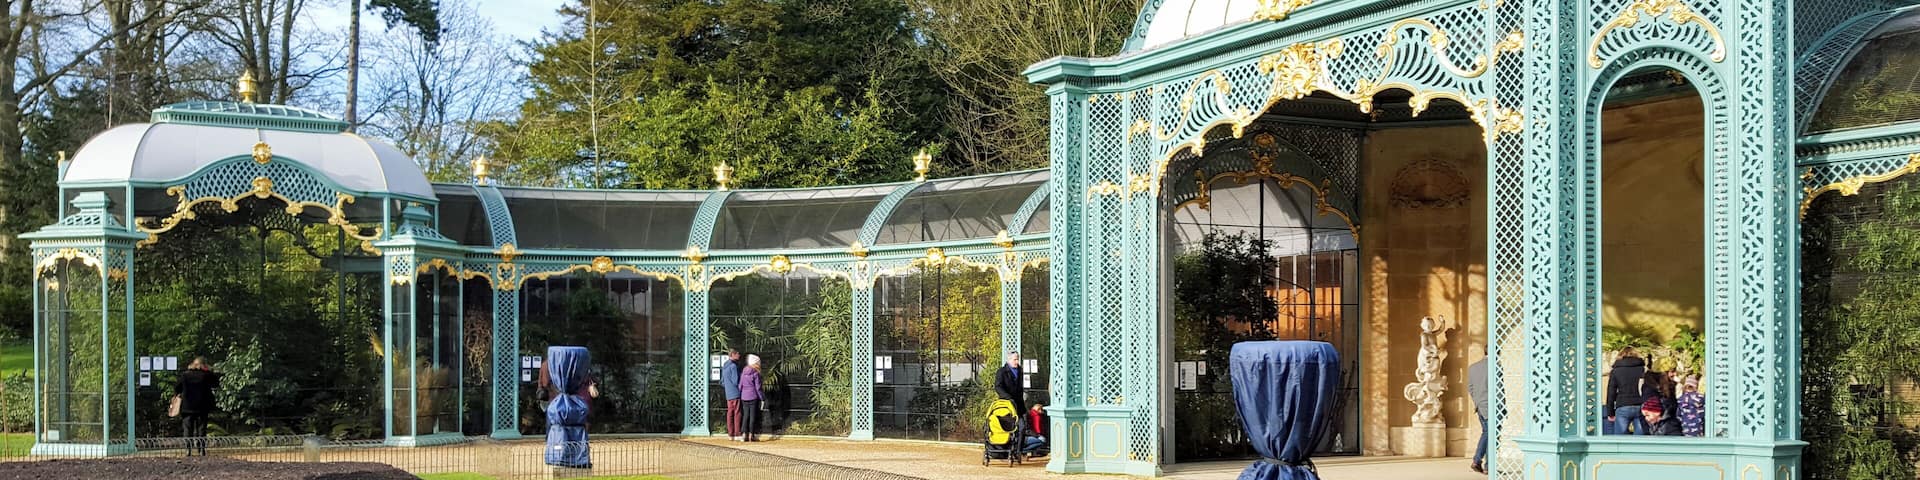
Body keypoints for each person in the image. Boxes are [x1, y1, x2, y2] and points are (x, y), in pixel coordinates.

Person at [176, 357, 219, 456]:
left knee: (187, 428)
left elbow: (177, 388)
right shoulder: (206, 375)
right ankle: (201, 449)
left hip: (187, 406)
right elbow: (216, 383)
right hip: (202, 407)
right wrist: (208, 370)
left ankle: (188, 449)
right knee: (201, 429)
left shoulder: (185, 375)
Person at [1604, 347, 1648, 435]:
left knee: (1620, 439)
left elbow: (1611, 392)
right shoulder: (1642, 369)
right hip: (1640, 405)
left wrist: (1610, 412)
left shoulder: (1616, 371)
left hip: (1622, 405)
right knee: (1641, 439)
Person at [1466, 357, 1489, 474]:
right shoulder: (1494, 366)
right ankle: (1478, 461)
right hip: (1491, 406)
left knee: (1487, 433)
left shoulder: (1473, 367)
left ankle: (1485, 465)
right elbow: (1500, 388)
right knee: (1490, 434)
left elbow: (1470, 388)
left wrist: (1477, 402)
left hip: (1480, 406)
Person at [740, 354, 763, 442]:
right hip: (753, 396)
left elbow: (740, 385)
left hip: (744, 397)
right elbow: (758, 387)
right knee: (752, 416)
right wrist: (762, 397)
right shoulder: (755, 373)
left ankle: (744, 434)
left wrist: (741, 394)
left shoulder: (743, 373)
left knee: (746, 415)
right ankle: (751, 435)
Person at [721, 349, 743, 441]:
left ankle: (730, 434)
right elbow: (735, 381)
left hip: (728, 393)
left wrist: (727, 387)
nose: (739, 355)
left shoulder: (725, 366)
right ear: (733, 354)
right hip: (735, 393)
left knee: (730, 413)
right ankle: (737, 433)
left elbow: (722, 381)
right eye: (737, 353)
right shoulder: (733, 366)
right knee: (737, 413)